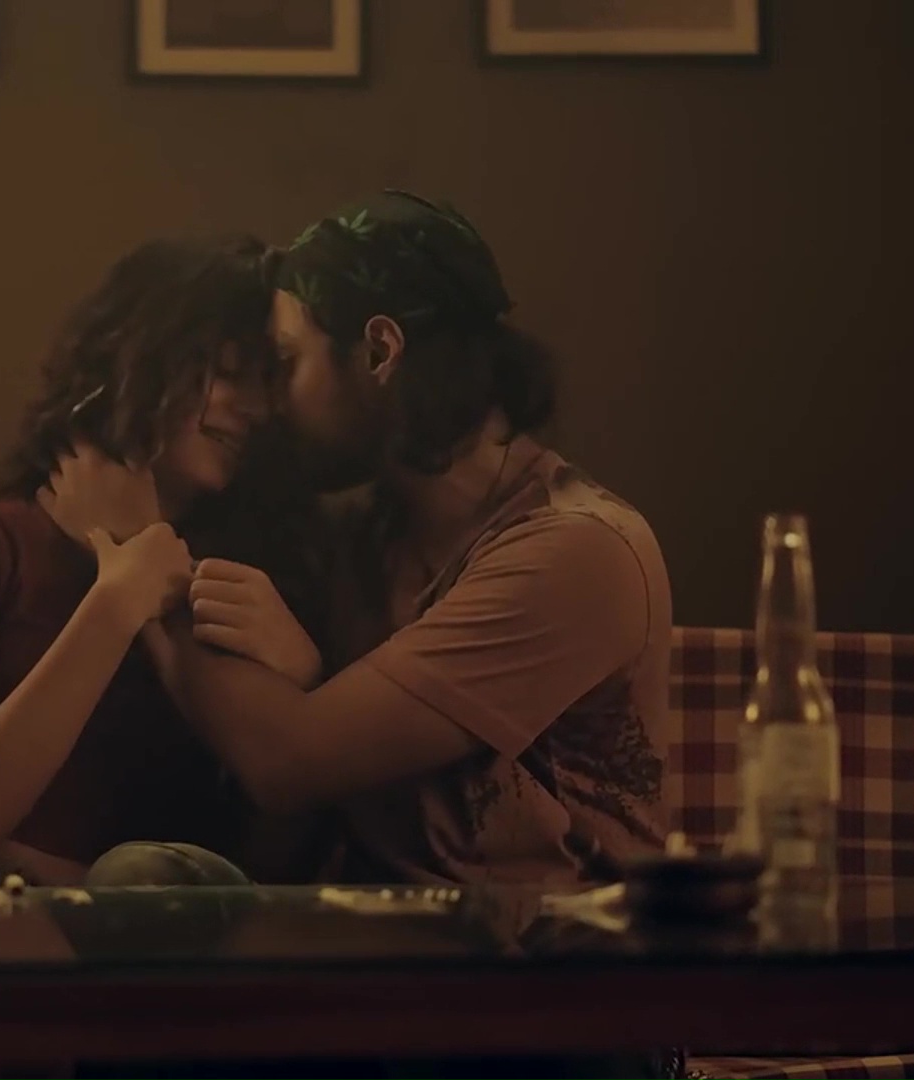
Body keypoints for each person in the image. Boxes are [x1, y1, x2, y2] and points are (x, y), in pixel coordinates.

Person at [50, 190, 675, 891]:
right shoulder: (368, 539)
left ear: (380, 350)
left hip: (551, 947)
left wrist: (137, 552)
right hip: (368, 930)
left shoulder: (573, 552)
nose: (271, 405)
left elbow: (287, 762)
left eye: (288, 363)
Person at [0, 234, 327, 892]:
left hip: (161, 918)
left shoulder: (266, 572)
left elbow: (283, 847)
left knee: (146, 878)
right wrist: (118, 596)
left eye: (267, 382)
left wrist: (304, 675)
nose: (255, 408)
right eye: (225, 373)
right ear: (138, 362)